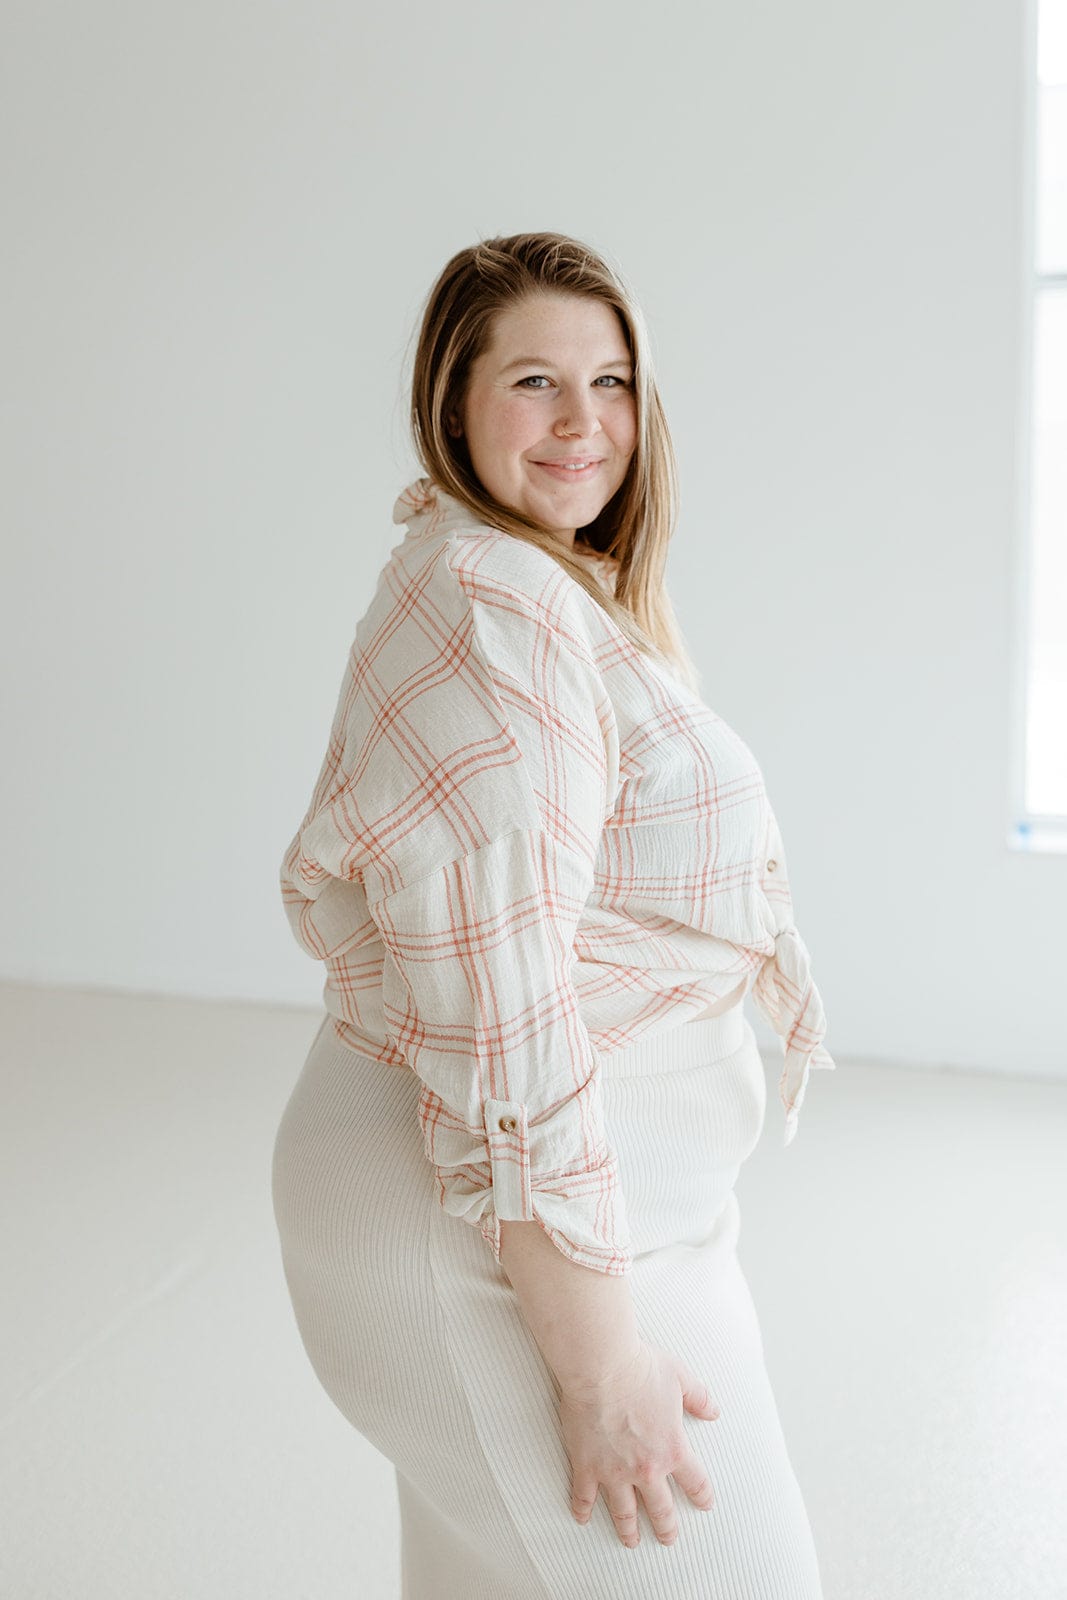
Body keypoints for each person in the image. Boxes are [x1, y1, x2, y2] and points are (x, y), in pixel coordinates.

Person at [271, 231, 836, 1598]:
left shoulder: (543, 584)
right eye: (535, 380)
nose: (586, 422)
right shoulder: (489, 598)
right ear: (451, 404)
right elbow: (503, 1005)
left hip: (578, 1219)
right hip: (504, 1237)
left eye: (615, 379)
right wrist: (596, 1359)